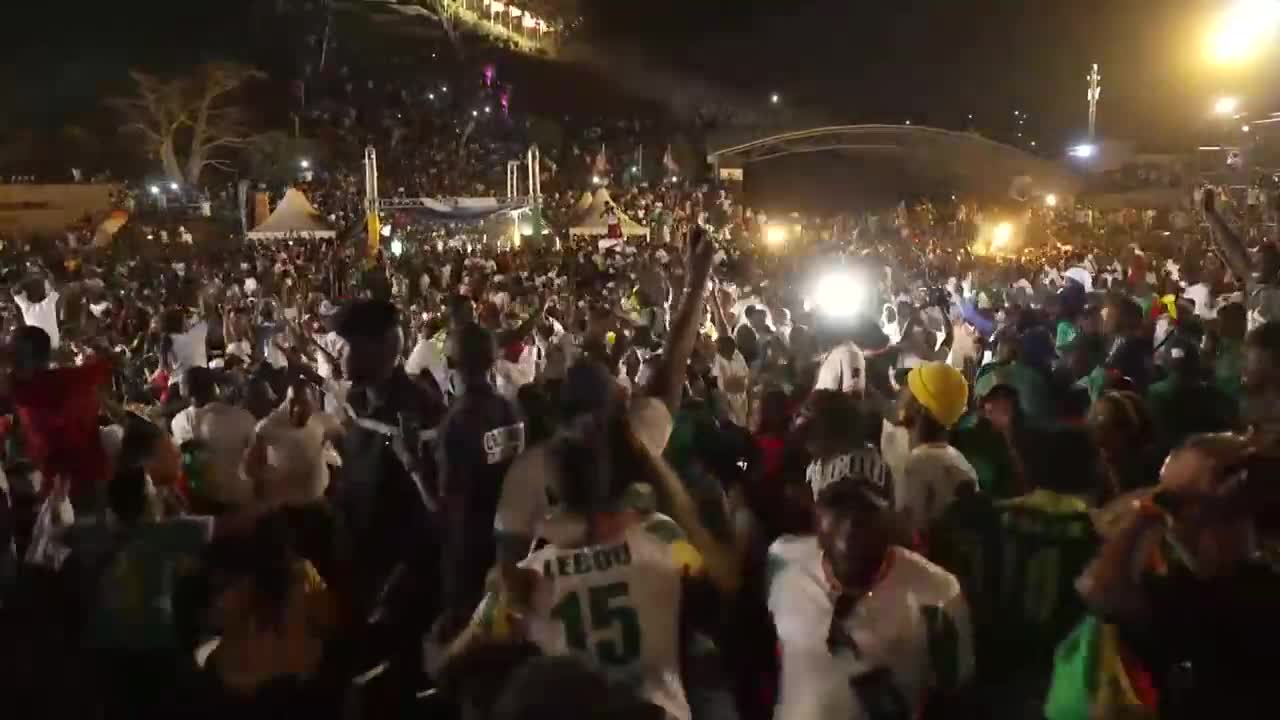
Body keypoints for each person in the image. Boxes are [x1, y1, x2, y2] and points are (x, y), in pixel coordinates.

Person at [452, 408, 738, 720]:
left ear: (553, 491)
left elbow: (454, 660)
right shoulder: (662, 535)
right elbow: (710, 584)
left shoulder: (529, 575)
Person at [1077, 433, 1280, 719]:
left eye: (1174, 502)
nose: (1170, 520)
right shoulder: (1191, 582)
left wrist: (1145, 512)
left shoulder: (1225, 596)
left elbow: (1098, 588)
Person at [767, 476, 973, 720]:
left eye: (865, 516)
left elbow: (955, 694)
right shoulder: (783, 563)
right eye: (839, 512)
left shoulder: (937, 595)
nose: (850, 527)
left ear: (890, 526)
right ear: (817, 528)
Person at [436, 321, 525, 634]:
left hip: (470, 553)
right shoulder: (509, 409)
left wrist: (413, 465)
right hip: (509, 542)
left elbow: (446, 505)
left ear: (450, 364)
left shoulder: (457, 422)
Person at [9, 325, 113, 510]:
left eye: (17, 357)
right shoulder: (70, 378)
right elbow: (105, 364)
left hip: (70, 484)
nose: (13, 363)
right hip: (82, 480)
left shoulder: (18, 388)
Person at [895, 361, 978, 537]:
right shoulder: (958, 459)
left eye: (909, 390)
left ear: (920, 408)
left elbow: (908, 532)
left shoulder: (918, 464)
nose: (901, 393)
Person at [245, 379, 342, 507]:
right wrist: (274, 478)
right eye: (292, 402)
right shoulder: (268, 426)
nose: (296, 409)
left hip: (316, 502)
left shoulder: (325, 421)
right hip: (283, 506)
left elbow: (346, 449)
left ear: (316, 403)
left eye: (304, 403)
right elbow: (250, 468)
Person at [171, 367, 257, 511]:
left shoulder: (181, 421)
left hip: (204, 505)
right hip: (243, 500)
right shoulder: (245, 417)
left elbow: (188, 466)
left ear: (185, 389)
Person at [710, 335, 750, 427]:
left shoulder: (738, 357)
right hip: (725, 399)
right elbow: (719, 380)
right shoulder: (718, 357)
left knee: (741, 424)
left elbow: (741, 383)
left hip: (740, 399)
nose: (720, 353)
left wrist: (731, 384)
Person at [11, 277, 61, 350]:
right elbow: (15, 292)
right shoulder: (29, 308)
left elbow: (54, 290)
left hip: (46, 349)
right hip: (41, 348)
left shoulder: (48, 304)